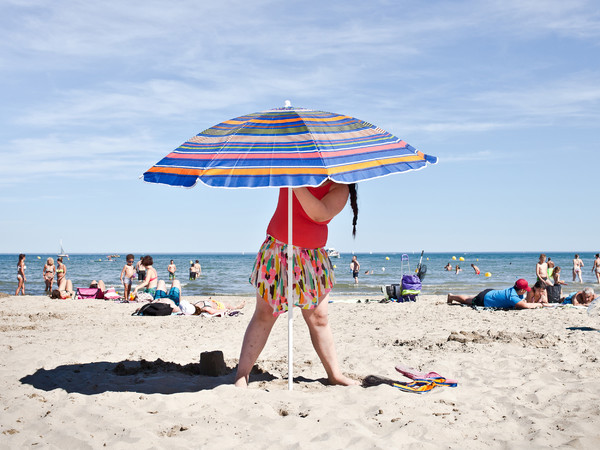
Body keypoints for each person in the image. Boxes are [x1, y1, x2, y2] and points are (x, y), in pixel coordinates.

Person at [235, 182, 359, 388]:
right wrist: (293, 178)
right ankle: (242, 375)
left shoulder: (340, 187)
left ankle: (334, 374)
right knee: (264, 313)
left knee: (319, 318)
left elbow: (320, 214)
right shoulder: (295, 166)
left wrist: (295, 184)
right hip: (277, 249)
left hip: (312, 257)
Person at [447, 279, 543, 309]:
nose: (526, 291)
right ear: (521, 290)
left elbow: (523, 301)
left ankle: (452, 296)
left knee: (470, 298)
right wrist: (540, 304)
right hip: (485, 298)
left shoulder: (515, 290)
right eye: (525, 289)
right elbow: (525, 305)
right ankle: (451, 296)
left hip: (490, 292)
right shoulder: (512, 296)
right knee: (467, 300)